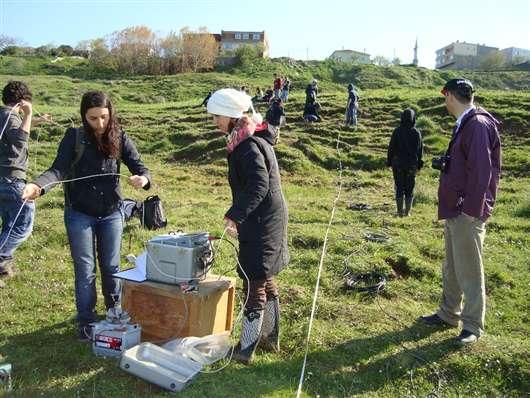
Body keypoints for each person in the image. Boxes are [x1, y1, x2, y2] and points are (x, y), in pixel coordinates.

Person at [22, 91, 151, 339]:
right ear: (84, 116)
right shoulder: (74, 137)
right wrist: (38, 186)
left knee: (111, 267)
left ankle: (114, 312)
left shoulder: (120, 136)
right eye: (93, 118)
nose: (100, 124)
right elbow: (58, 169)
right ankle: (86, 321)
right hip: (79, 213)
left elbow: (140, 167)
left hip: (112, 213)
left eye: (104, 117)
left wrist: (143, 179)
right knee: (85, 269)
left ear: (111, 113)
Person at [206, 88, 289, 364]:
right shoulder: (245, 139)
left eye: (217, 116)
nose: (214, 121)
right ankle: (270, 337)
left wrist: (235, 215)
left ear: (230, 116)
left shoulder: (249, 145)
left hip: (263, 220)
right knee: (264, 276)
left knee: (253, 281)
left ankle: (246, 348)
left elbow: (258, 185)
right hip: (263, 216)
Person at [419, 79, 501, 346]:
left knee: (469, 268)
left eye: (445, 97)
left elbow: (482, 172)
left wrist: (471, 210)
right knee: (452, 265)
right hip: (457, 207)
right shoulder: (468, 123)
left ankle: (472, 325)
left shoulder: (476, 125)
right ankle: (448, 313)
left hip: (467, 210)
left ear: (451, 96)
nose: (445, 102)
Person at [0, 81, 35, 289]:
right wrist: (28, 115)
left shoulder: (3, 114)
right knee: (22, 224)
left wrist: (35, 120)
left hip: (2, 178)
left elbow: (11, 131)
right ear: (22, 102)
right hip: (10, 179)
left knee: (9, 224)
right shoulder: (10, 115)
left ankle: (4, 268)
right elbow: (17, 141)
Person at [386, 108, 423, 216]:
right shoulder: (416, 133)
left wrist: (389, 162)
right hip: (411, 165)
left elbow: (391, 148)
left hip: (398, 165)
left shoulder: (397, 131)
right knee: (409, 188)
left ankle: (399, 212)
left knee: (399, 186)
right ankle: (407, 212)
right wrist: (419, 165)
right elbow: (420, 150)